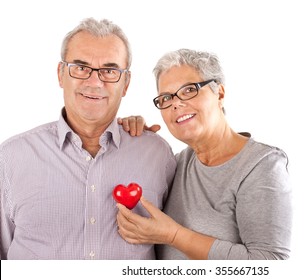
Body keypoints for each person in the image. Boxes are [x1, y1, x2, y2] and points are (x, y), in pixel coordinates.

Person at [0, 18, 176, 260]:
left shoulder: (157, 154)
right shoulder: (11, 157)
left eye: (110, 71)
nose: (94, 82)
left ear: (126, 83)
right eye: (81, 68)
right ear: (61, 75)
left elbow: (173, 250)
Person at [116, 48, 292, 259]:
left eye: (189, 90)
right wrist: (133, 136)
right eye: (165, 98)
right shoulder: (176, 163)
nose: (176, 104)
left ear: (220, 93)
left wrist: (173, 235)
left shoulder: (261, 166)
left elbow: (269, 263)